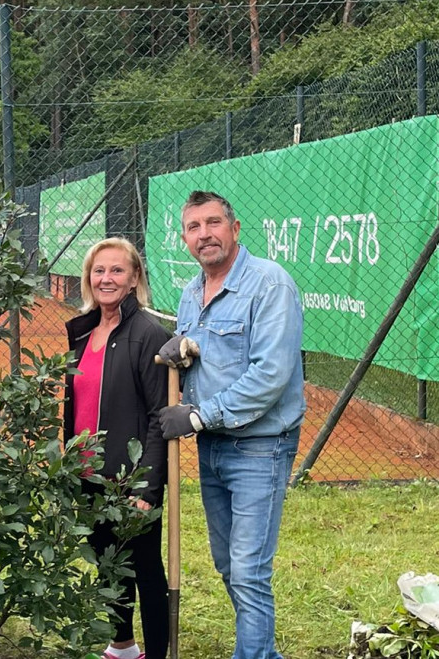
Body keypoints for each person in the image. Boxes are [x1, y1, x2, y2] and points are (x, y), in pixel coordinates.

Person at [156, 190, 305, 659]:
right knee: (228, 565)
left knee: (248, 571)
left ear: (235, 229)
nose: (205, 235)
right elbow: (205, 360)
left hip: (260, 446)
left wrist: (199, 415)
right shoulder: (190, 293)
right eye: (194, 227)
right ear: (185, 239)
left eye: (214, 223)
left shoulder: (270, 285)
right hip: (213, 448)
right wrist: (181, 354)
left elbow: (270, 375)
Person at [64, 237, 170, 659]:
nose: (106, 278)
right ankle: (122, 646)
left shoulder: (148, 334)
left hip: (130, 479)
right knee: (108, 563)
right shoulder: (84, 331)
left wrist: (148, 488)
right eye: (98, 270)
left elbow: (160, 416)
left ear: (134, 278)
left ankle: (157, 654)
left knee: (146, 571)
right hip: (89, 474)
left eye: (117, 270)